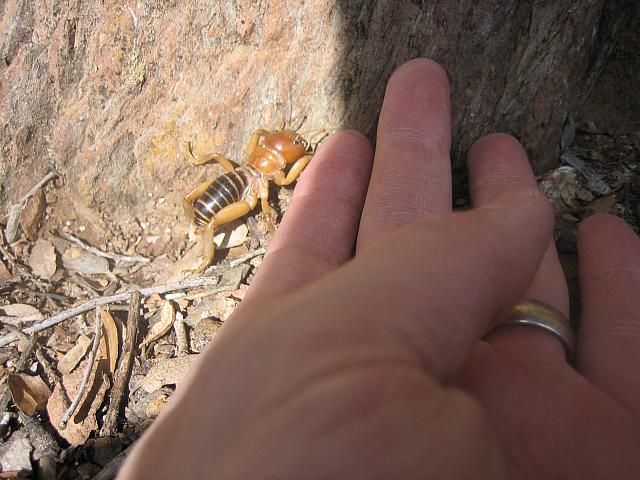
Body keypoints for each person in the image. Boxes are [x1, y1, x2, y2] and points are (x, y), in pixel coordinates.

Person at [119, 59, 640, 479]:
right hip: (237, 190)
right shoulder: (265, 173)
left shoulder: (261, 162)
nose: (291, 145)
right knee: (218, 210)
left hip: (241, 184)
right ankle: (203, 250)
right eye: (290, 146)